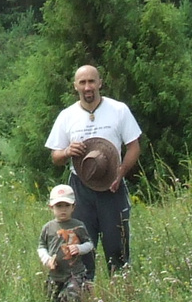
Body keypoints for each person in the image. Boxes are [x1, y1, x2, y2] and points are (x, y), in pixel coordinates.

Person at [45, 64, 141, 279]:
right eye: (83, 82)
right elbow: (55, 157)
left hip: (113, 186)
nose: (88, 87)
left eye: (91, 81)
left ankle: (122, 293)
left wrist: (121, 172)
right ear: (75, 86)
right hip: (80, 188)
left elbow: (134, 146)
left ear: (100, 83)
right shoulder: (67, 116)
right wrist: (68, 151)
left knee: (117, 246)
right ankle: (83, 294)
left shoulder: (118, 110)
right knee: (79, 244)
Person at [38, 183, 93, 302]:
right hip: (55, 273)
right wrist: (47, 260)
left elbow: (89, 244)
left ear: (73, 207)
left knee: (70, 299)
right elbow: (41, 246)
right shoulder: (48, 227)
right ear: (51, 207)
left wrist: (79, 248)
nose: (63, 209)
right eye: (59, 206)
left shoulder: (78, 225)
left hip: (74, 273)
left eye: (67, 206)